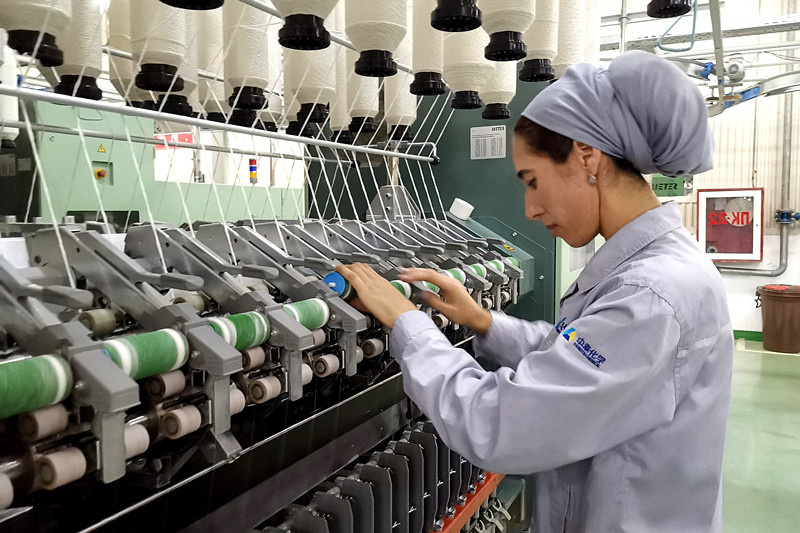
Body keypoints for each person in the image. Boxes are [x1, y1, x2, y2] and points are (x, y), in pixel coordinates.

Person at [336, 51, 733, 533]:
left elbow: (497, 422)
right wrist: (483, 320)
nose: (528, 208)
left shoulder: (652, 294)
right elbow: (578, 360)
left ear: (587, 157)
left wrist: (407, 324)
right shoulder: (654, 270)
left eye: (532, 181)